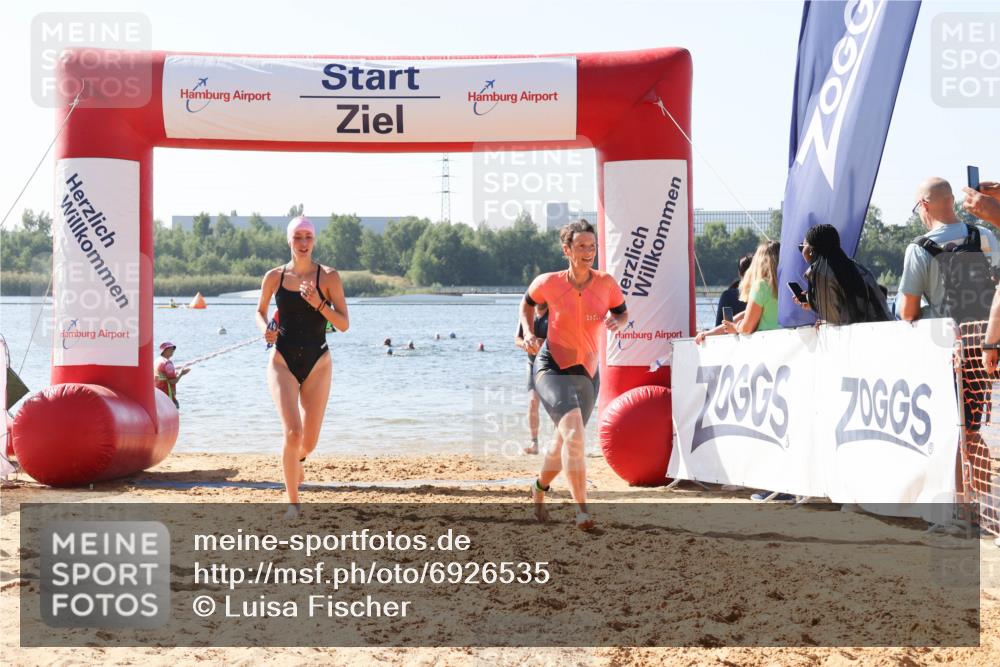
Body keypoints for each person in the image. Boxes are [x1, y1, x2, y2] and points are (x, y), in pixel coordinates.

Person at [520, 219, 628, 531]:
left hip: (588, 375)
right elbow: (526, 305)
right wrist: (528, 332)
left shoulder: (606, 283)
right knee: (575, 436)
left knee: (563, 443)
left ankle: (539, 488)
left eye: (592, 246)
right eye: (581, 246)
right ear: (567, 250)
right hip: (552, 367)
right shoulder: (549, 283)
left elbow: (622, 312)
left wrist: (619, 323)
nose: (588, 252)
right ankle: (582, 511)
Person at [257, 216, 349, 518]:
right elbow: (260, 311)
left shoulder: (329, 277)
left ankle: (295, 463)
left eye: (308, 236)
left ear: (315, 241)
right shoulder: (275, 277)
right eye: (298, 237)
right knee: (292, 432)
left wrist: (319, 304)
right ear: (289, 241)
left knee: (308, 443)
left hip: (318, 363)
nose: (303, 242)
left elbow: (344, 324)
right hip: (281, 360)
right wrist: (265, 329)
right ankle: (293, 503)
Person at [896, 177, 998, 322]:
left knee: (899, 301)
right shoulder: (985, 235)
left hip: (947, 336)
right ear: (952, 200)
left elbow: (909, 315)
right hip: (985, 331)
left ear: (924, 206)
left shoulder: (918, 249)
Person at [797, 224, 892, 324]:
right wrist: (813, 301)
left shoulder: (821, 272)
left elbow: (836, 318)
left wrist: (811, 301)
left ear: (811, 250)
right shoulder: (857, 267)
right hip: (885, 329)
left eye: (801, 247)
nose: (802, 251)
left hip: (864, 334)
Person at [695, 241, 781, 344]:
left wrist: (735, 327)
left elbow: (746, 327)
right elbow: (745, 315)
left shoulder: (761, 286)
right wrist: (710, 332)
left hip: (765, 345)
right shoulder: (785, 286)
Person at [515, 302, 549, 455]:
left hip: (551, 365)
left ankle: (561, 443)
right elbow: (517, 339)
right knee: (533, 402)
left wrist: (544, 343)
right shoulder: (526, 315)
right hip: (532, 364)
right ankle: (534, 444)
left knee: (556, 405)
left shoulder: (554, 314)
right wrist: (526, 345)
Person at [714, 252, 753, 326]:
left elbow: (721, 325)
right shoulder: (763, 293)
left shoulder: (728, 296)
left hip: (733, 334)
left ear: (739, 273)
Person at [154, 341, 190, 409]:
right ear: (164, 350)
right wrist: (181, 373)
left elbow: (162, 375)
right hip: (167, 394)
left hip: (158, 393)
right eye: (170, 349)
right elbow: (173, 381)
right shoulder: (167, 363)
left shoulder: (156, 360)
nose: (172, 351)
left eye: (173, 349)